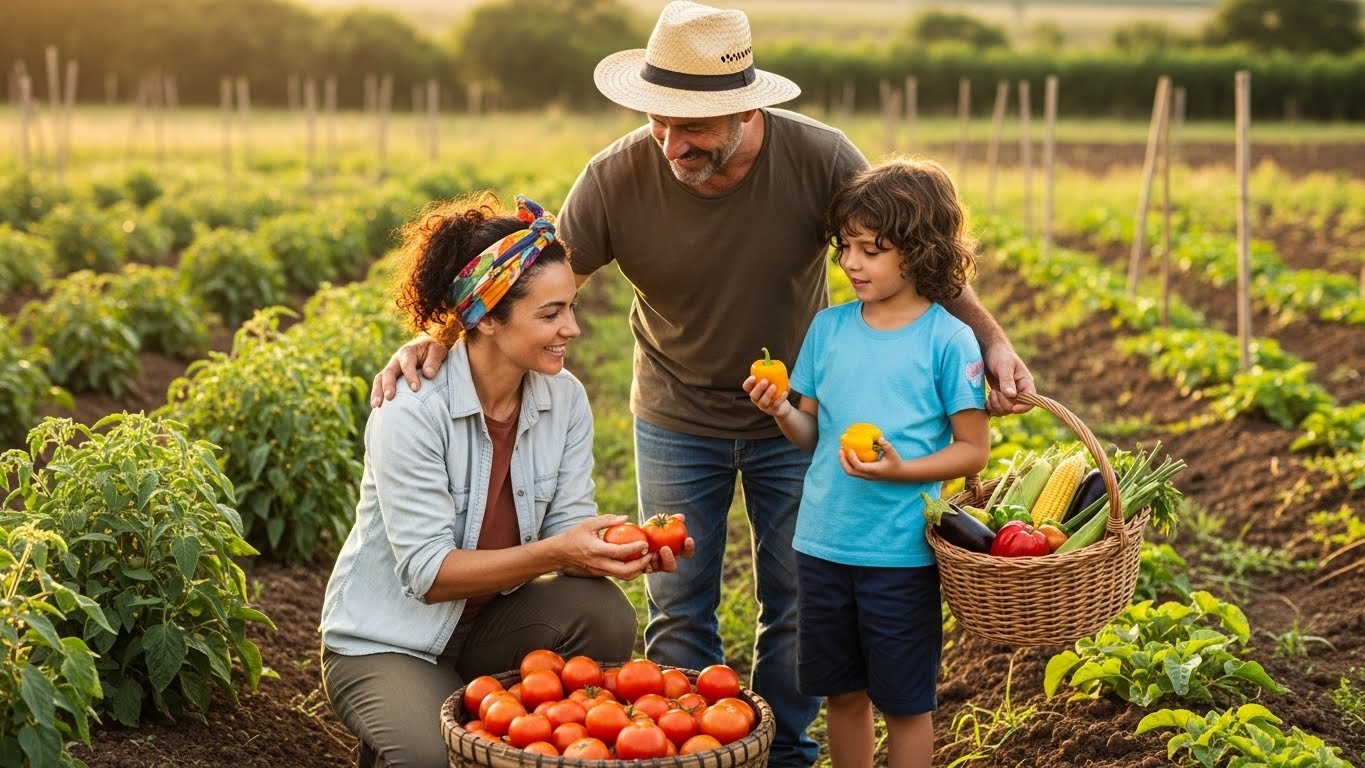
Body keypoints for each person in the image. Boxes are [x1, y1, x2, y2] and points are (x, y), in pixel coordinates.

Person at [369, 4, 1035, 766]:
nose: (669, 143)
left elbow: (911, 247)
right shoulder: (617, 176)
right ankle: (686, 751)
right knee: (678, 600)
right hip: (674, 412)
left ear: (745, 110)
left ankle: (784, 751)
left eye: (691, 129)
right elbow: (524, 285)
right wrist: (440, 336)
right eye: (658, 121)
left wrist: (990, 338)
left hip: (802, 414)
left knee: (795, 597)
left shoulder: (818, 158)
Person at [320, 193, 692, 768]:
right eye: (550, 314)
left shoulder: (562, 398)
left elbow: (568, 527)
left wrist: (623, 548)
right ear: (487, 318)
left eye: (571, 307)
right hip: (390, 643)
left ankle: (482, 716)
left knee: (603, 612)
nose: (572, 327)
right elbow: (428, 575)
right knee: (439, 757)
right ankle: (399, 726)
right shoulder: (411, 408)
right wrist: (555, 550)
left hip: (488, 628)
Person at [744, 158, 990, 768]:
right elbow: (812, 435)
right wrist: (780, 411)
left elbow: (972, 449)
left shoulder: (947, 339)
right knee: (842, 694)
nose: (851, 263)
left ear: (920, 252)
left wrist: (902, 471)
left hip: (899, 555)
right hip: (824, 546)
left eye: (871, 250)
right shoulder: (828, 329)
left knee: (906, 702)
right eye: (845, 247)